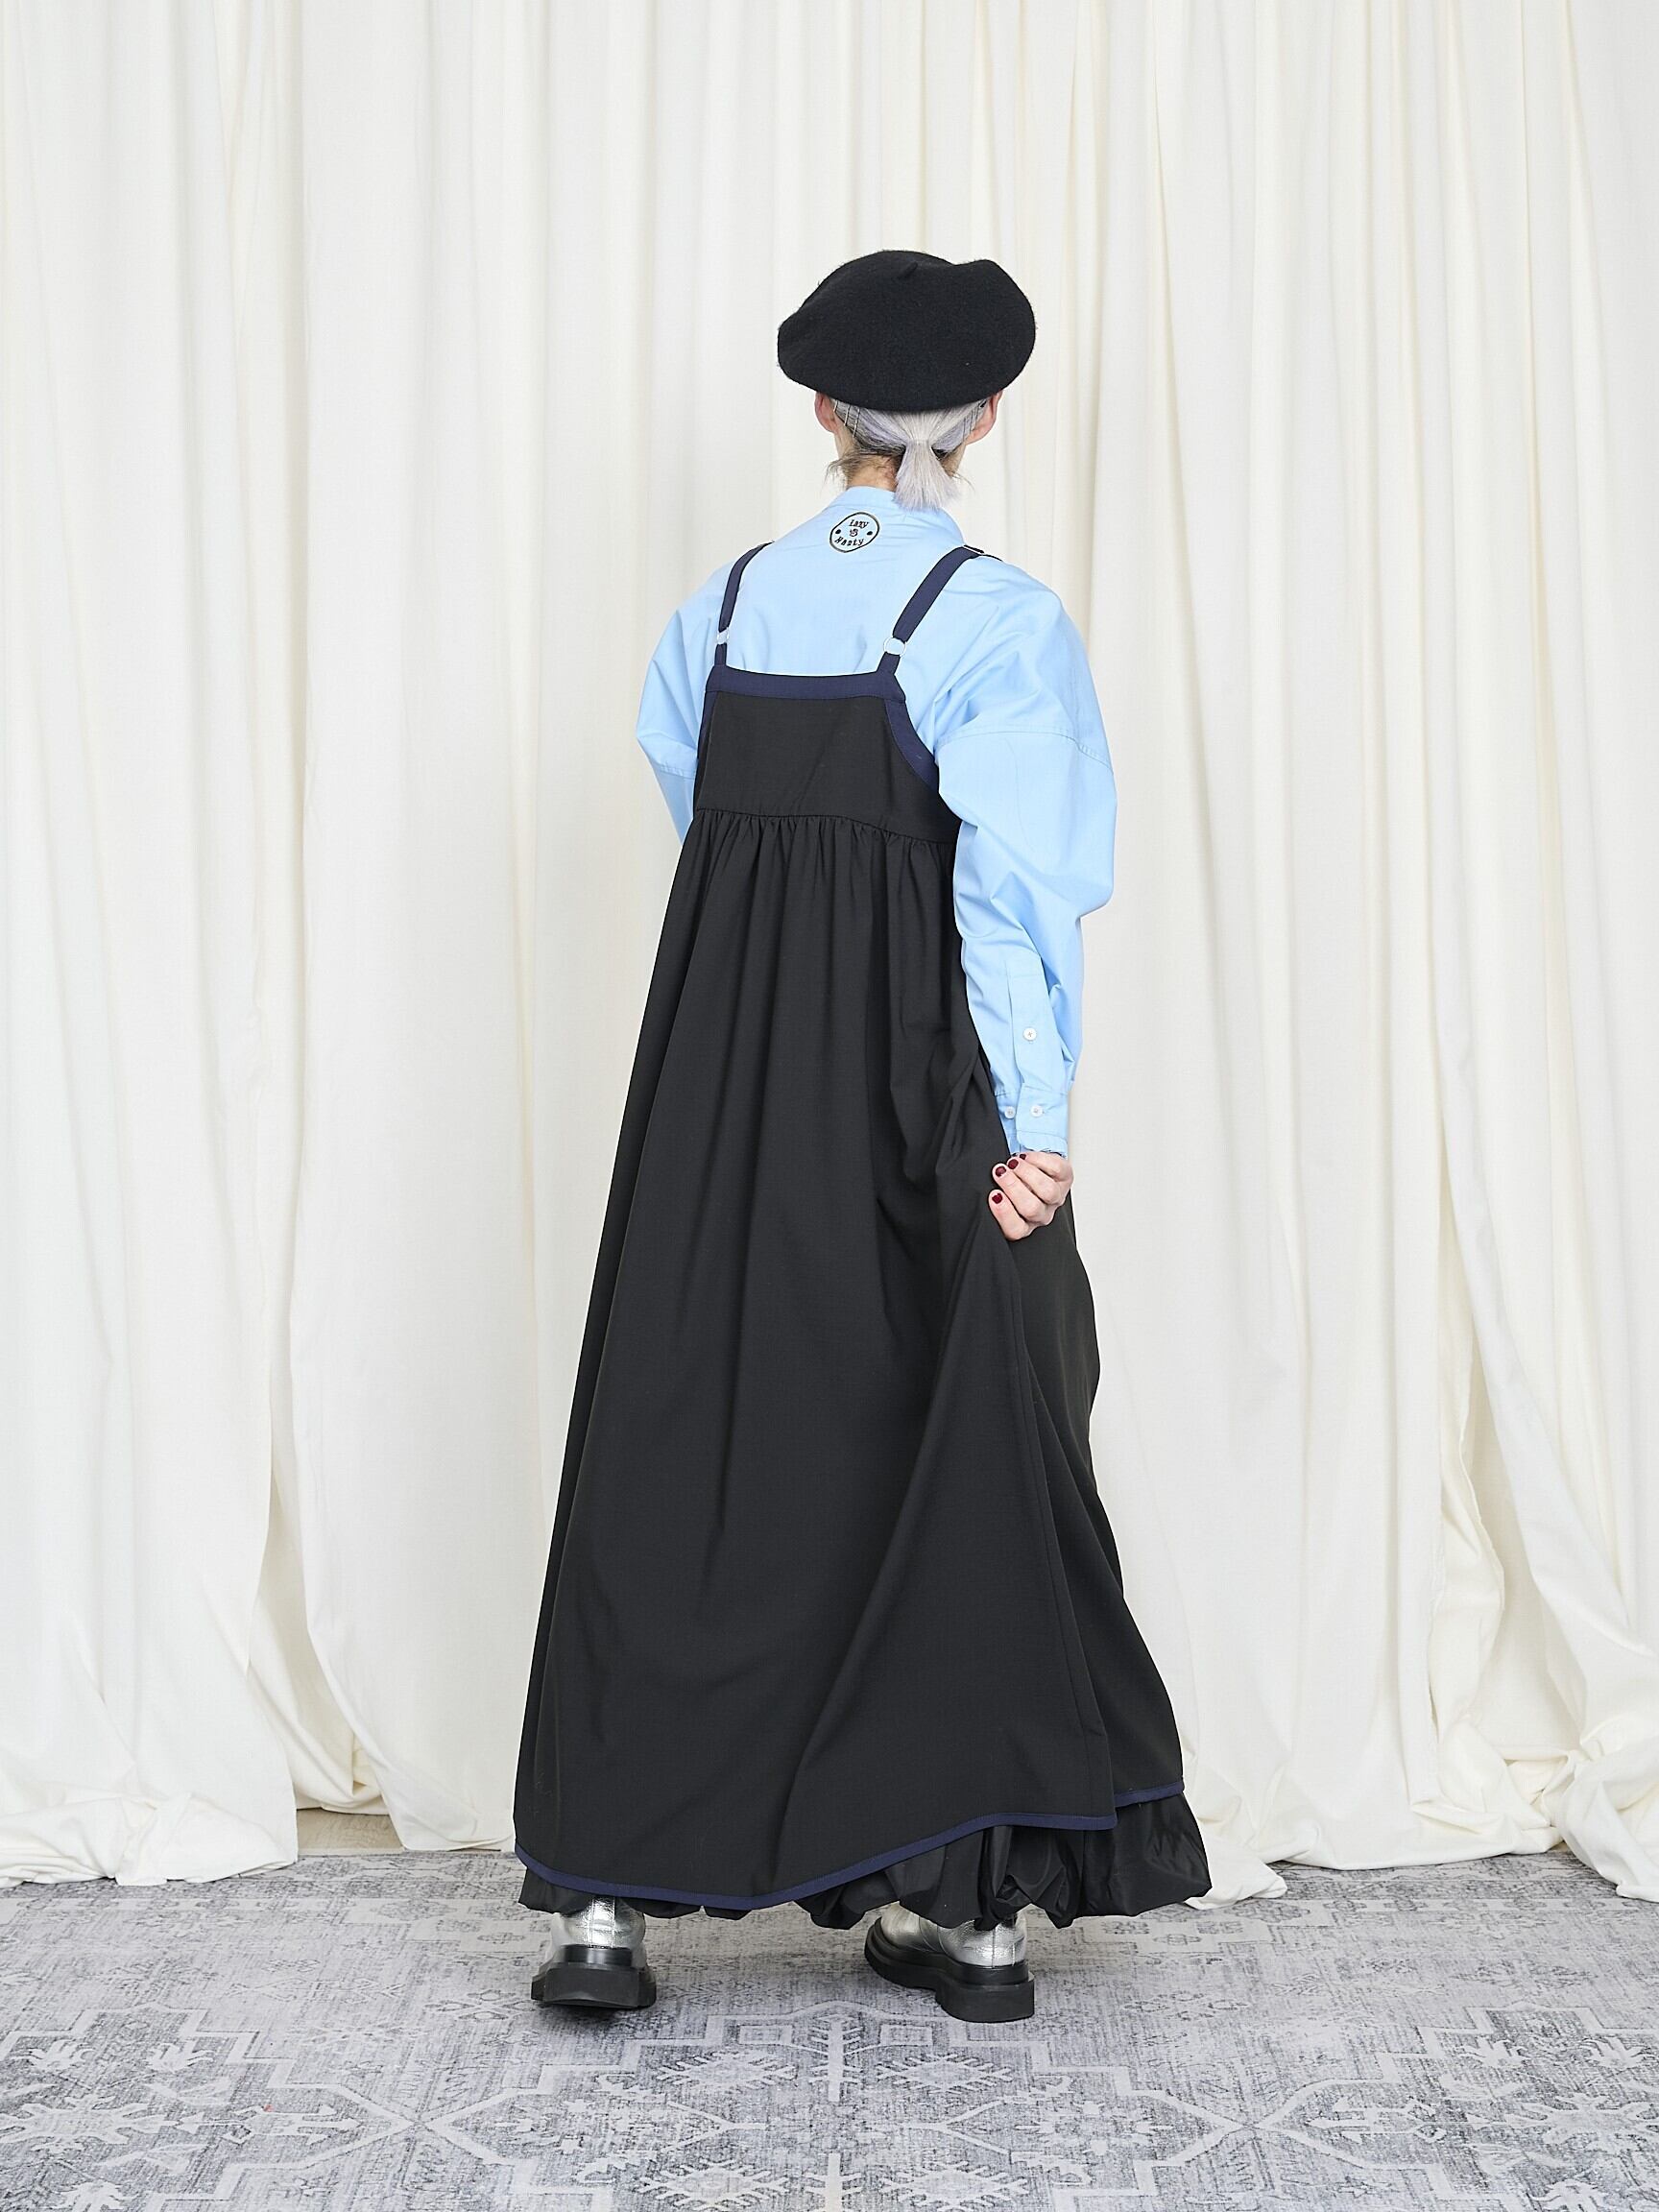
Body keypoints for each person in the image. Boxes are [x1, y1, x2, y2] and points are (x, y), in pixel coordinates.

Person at [514, 249, 1210, 2025]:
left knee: (692, 1428)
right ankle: (967, 1914)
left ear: (823, 410)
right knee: (961, 1437)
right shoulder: (993, 619)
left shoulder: (723, 606)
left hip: (719, 1072)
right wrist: (1035, 1124)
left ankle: (603, 1906)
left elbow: (703, 805)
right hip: (915, 1078)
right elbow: (1014, 896)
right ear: (988, 419)